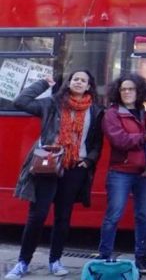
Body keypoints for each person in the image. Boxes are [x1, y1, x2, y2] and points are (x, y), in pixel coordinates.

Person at [5, 71, 103, 279]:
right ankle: (23, 262)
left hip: (75, 168)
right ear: (68, 83)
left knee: (63, 217)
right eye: (75, 79)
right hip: (48, 165)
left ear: (88, 86)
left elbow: (96, 142)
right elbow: (20, 102)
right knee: (37, 215)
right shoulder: (52, 104)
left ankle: (55, 261)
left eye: (83, 80)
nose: (79, 82)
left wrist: (89, 160)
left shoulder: (95, 110)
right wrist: (43, 84)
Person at [98, 73, 146, 275]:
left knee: (142, 216)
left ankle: (141, 259)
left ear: (138, 91)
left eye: (131, 89)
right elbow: (120, 140)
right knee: (114, 215)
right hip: (121, 171)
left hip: (145, 172)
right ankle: (104, 257)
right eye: (123, 89)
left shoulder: (145, 112)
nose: (127, 92)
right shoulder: (112, 114)